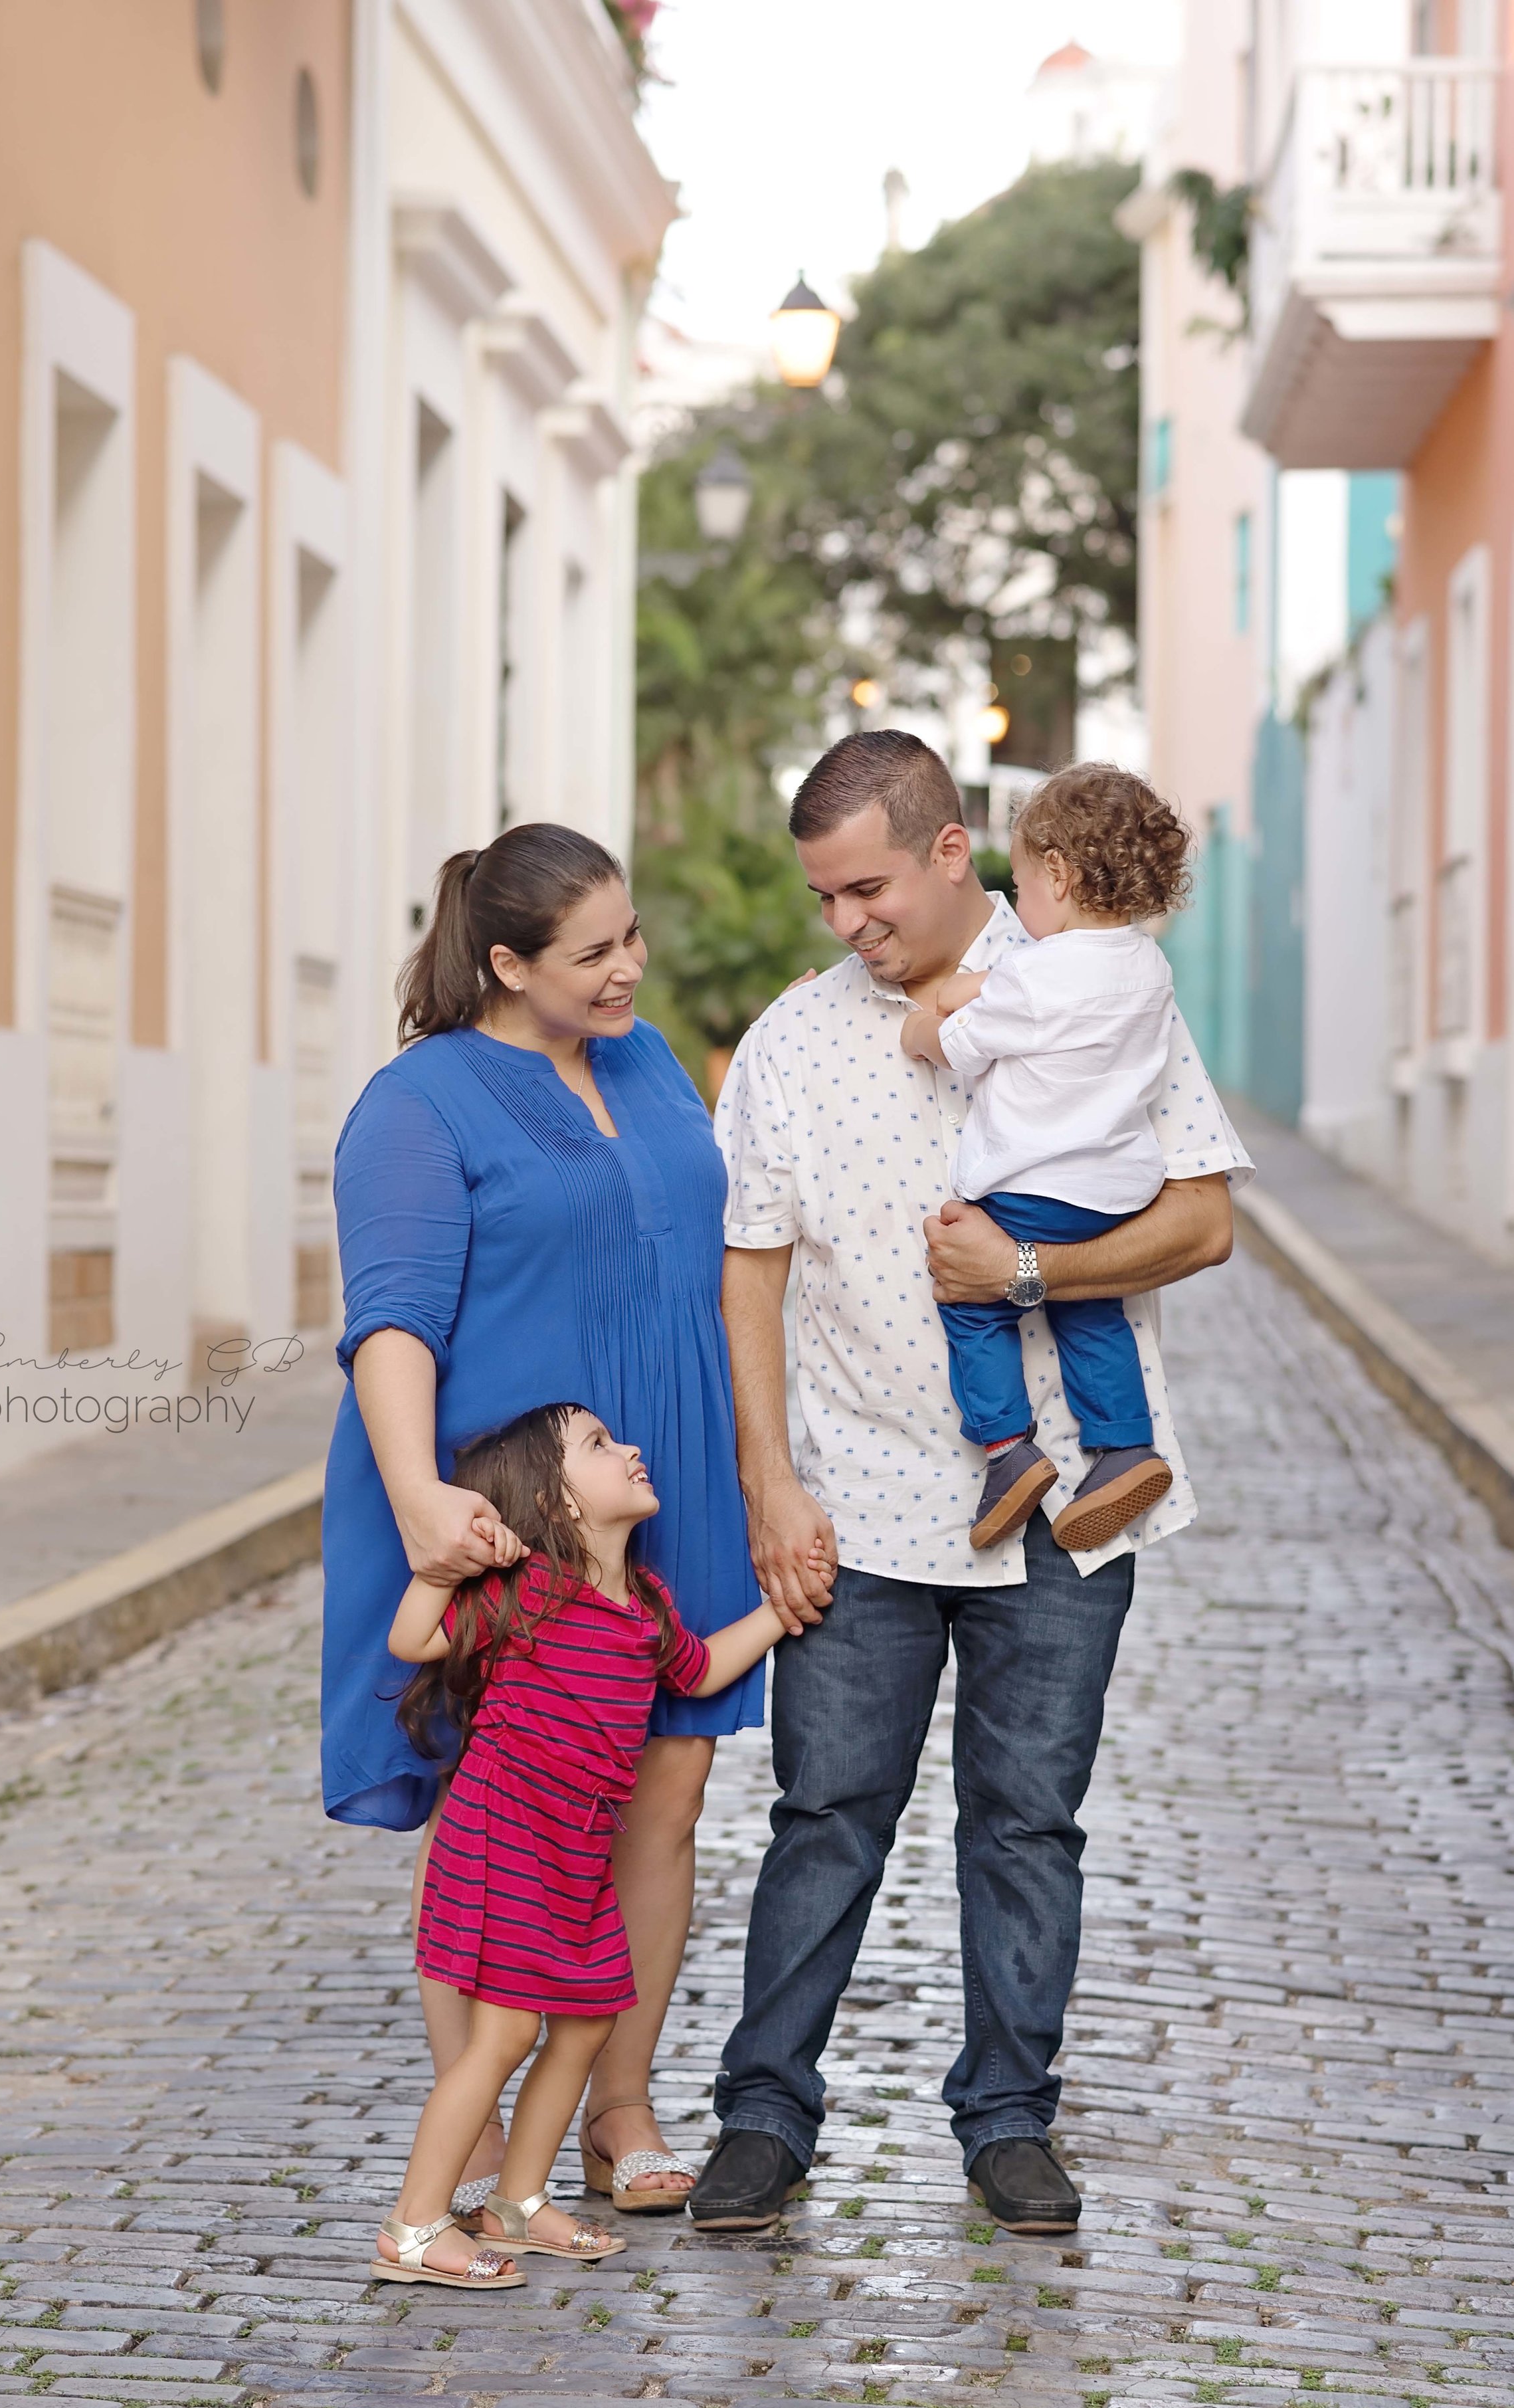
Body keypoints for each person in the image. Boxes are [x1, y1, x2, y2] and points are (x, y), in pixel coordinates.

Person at [693, 730, 1252, 2238]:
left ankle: (1009, 2121)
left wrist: (1029, 1268)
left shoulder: (1107, 979)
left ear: (953, 850)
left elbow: (1200, 1221)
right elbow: (749, 1281)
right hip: (861, 1503)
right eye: (822, 898)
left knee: (1028, 1821)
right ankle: (765, 2115)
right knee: (825, 1814)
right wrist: (770, 1488)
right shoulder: (794, 1047)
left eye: (865, 887)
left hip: (1068, 1503)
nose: (845, 922)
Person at [321, 822, 783, 2239]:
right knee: (504, 1800)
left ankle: (617, 2109)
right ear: (506, 961)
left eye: (632, 935)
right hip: (509, 1491)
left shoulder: (645, 1065)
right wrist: (416, 1498)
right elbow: (390, 1315)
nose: (628, 967)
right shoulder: (420, 1102)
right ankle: (479, 2104)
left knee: (667, 1781)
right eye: (593, 953)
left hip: (660, 1472)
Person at [371, 1401, 816, 2286]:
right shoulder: (530, 1589)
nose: (633, 1446)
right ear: (555, 1500)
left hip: (573, 1854)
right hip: (504, 1838)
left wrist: (783, 1606)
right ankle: (414, 2227)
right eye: (601, 1446)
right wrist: (448, 1556)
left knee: (585, 2020)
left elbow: (699, 1668)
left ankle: (517, 2202)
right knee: (501, 2038)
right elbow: (410, 1636)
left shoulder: (642, 1608)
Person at [898, 764, 1192, 1555]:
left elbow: (963, 1043)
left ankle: (1007, 1452)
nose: (1017, 905)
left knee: (971, 1300)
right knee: (1089, 1308)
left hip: (1029, 1189)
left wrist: (922, 1027)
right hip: (1111, 1196)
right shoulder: (1147, 967)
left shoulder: (1032, 973)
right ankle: (1125, 1446)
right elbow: (1026, 992)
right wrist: (984, 986)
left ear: (1056, 875)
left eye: (1022, 888)